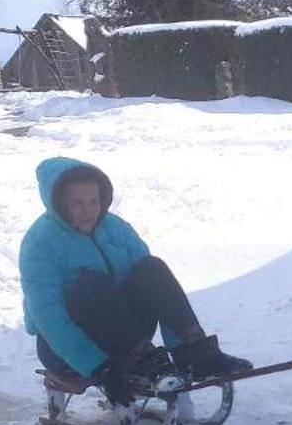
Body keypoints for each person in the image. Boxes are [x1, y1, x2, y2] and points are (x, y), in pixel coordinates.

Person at [20, 156, 251, 405]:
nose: (88, 211)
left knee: (151, 268)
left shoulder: (116, 228)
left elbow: (155, 290)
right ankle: (139, 360)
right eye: (77, 203)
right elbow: (49, 319)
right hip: (64, 350)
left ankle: (195, 352)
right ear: (60, 203)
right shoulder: (39, 243)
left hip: (126, 338)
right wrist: (99, 368)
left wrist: (178, 348)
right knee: (91, 284)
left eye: (93, 202)